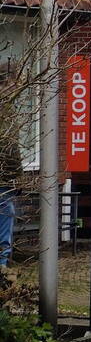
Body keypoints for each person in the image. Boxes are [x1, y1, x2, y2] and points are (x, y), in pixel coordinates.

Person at [0, 113, 21, 269]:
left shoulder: (9, 115)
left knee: (6, 213)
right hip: (7, 179)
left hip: (5, 180)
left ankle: (2, 265)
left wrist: (17, 176)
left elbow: (13, 149)